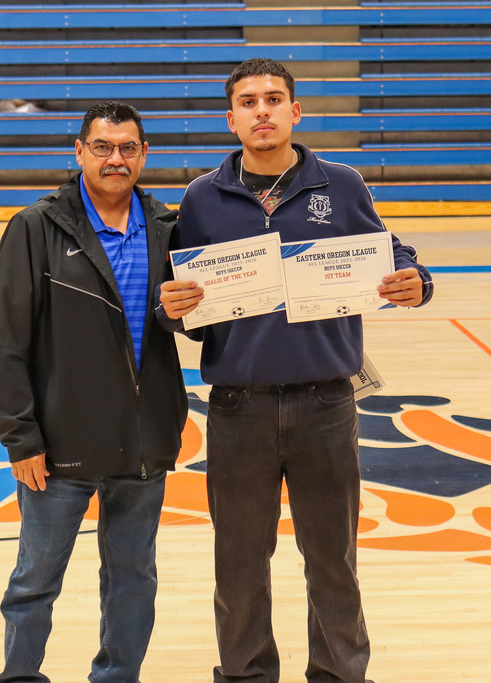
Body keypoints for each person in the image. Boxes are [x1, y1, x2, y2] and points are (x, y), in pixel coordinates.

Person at [158, 59, 434, 683]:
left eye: (274, 99)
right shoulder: (203, 197)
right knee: (239, 563)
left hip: (325, 404)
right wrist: (172, 311)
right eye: (248, 102)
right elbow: (183, 300)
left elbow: (392, 254)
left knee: (332, 560)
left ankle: (339, 675)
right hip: (238, 407)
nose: (262, 111)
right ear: (230, 119)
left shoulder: (342, 184)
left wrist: (416, 279)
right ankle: (246, 675)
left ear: (295, 112)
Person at [0, 100, 188, 683]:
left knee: (133, 579)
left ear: (144, 154)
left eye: (128, 148)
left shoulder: (170, 228)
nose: (115, 159)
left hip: (143, 442)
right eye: (102, 147)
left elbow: (191, 323)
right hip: (59, 446)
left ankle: (117, 676)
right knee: (34, 582)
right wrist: (21, 439)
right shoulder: (35, 228)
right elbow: (3, 343)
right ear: (80, 152)